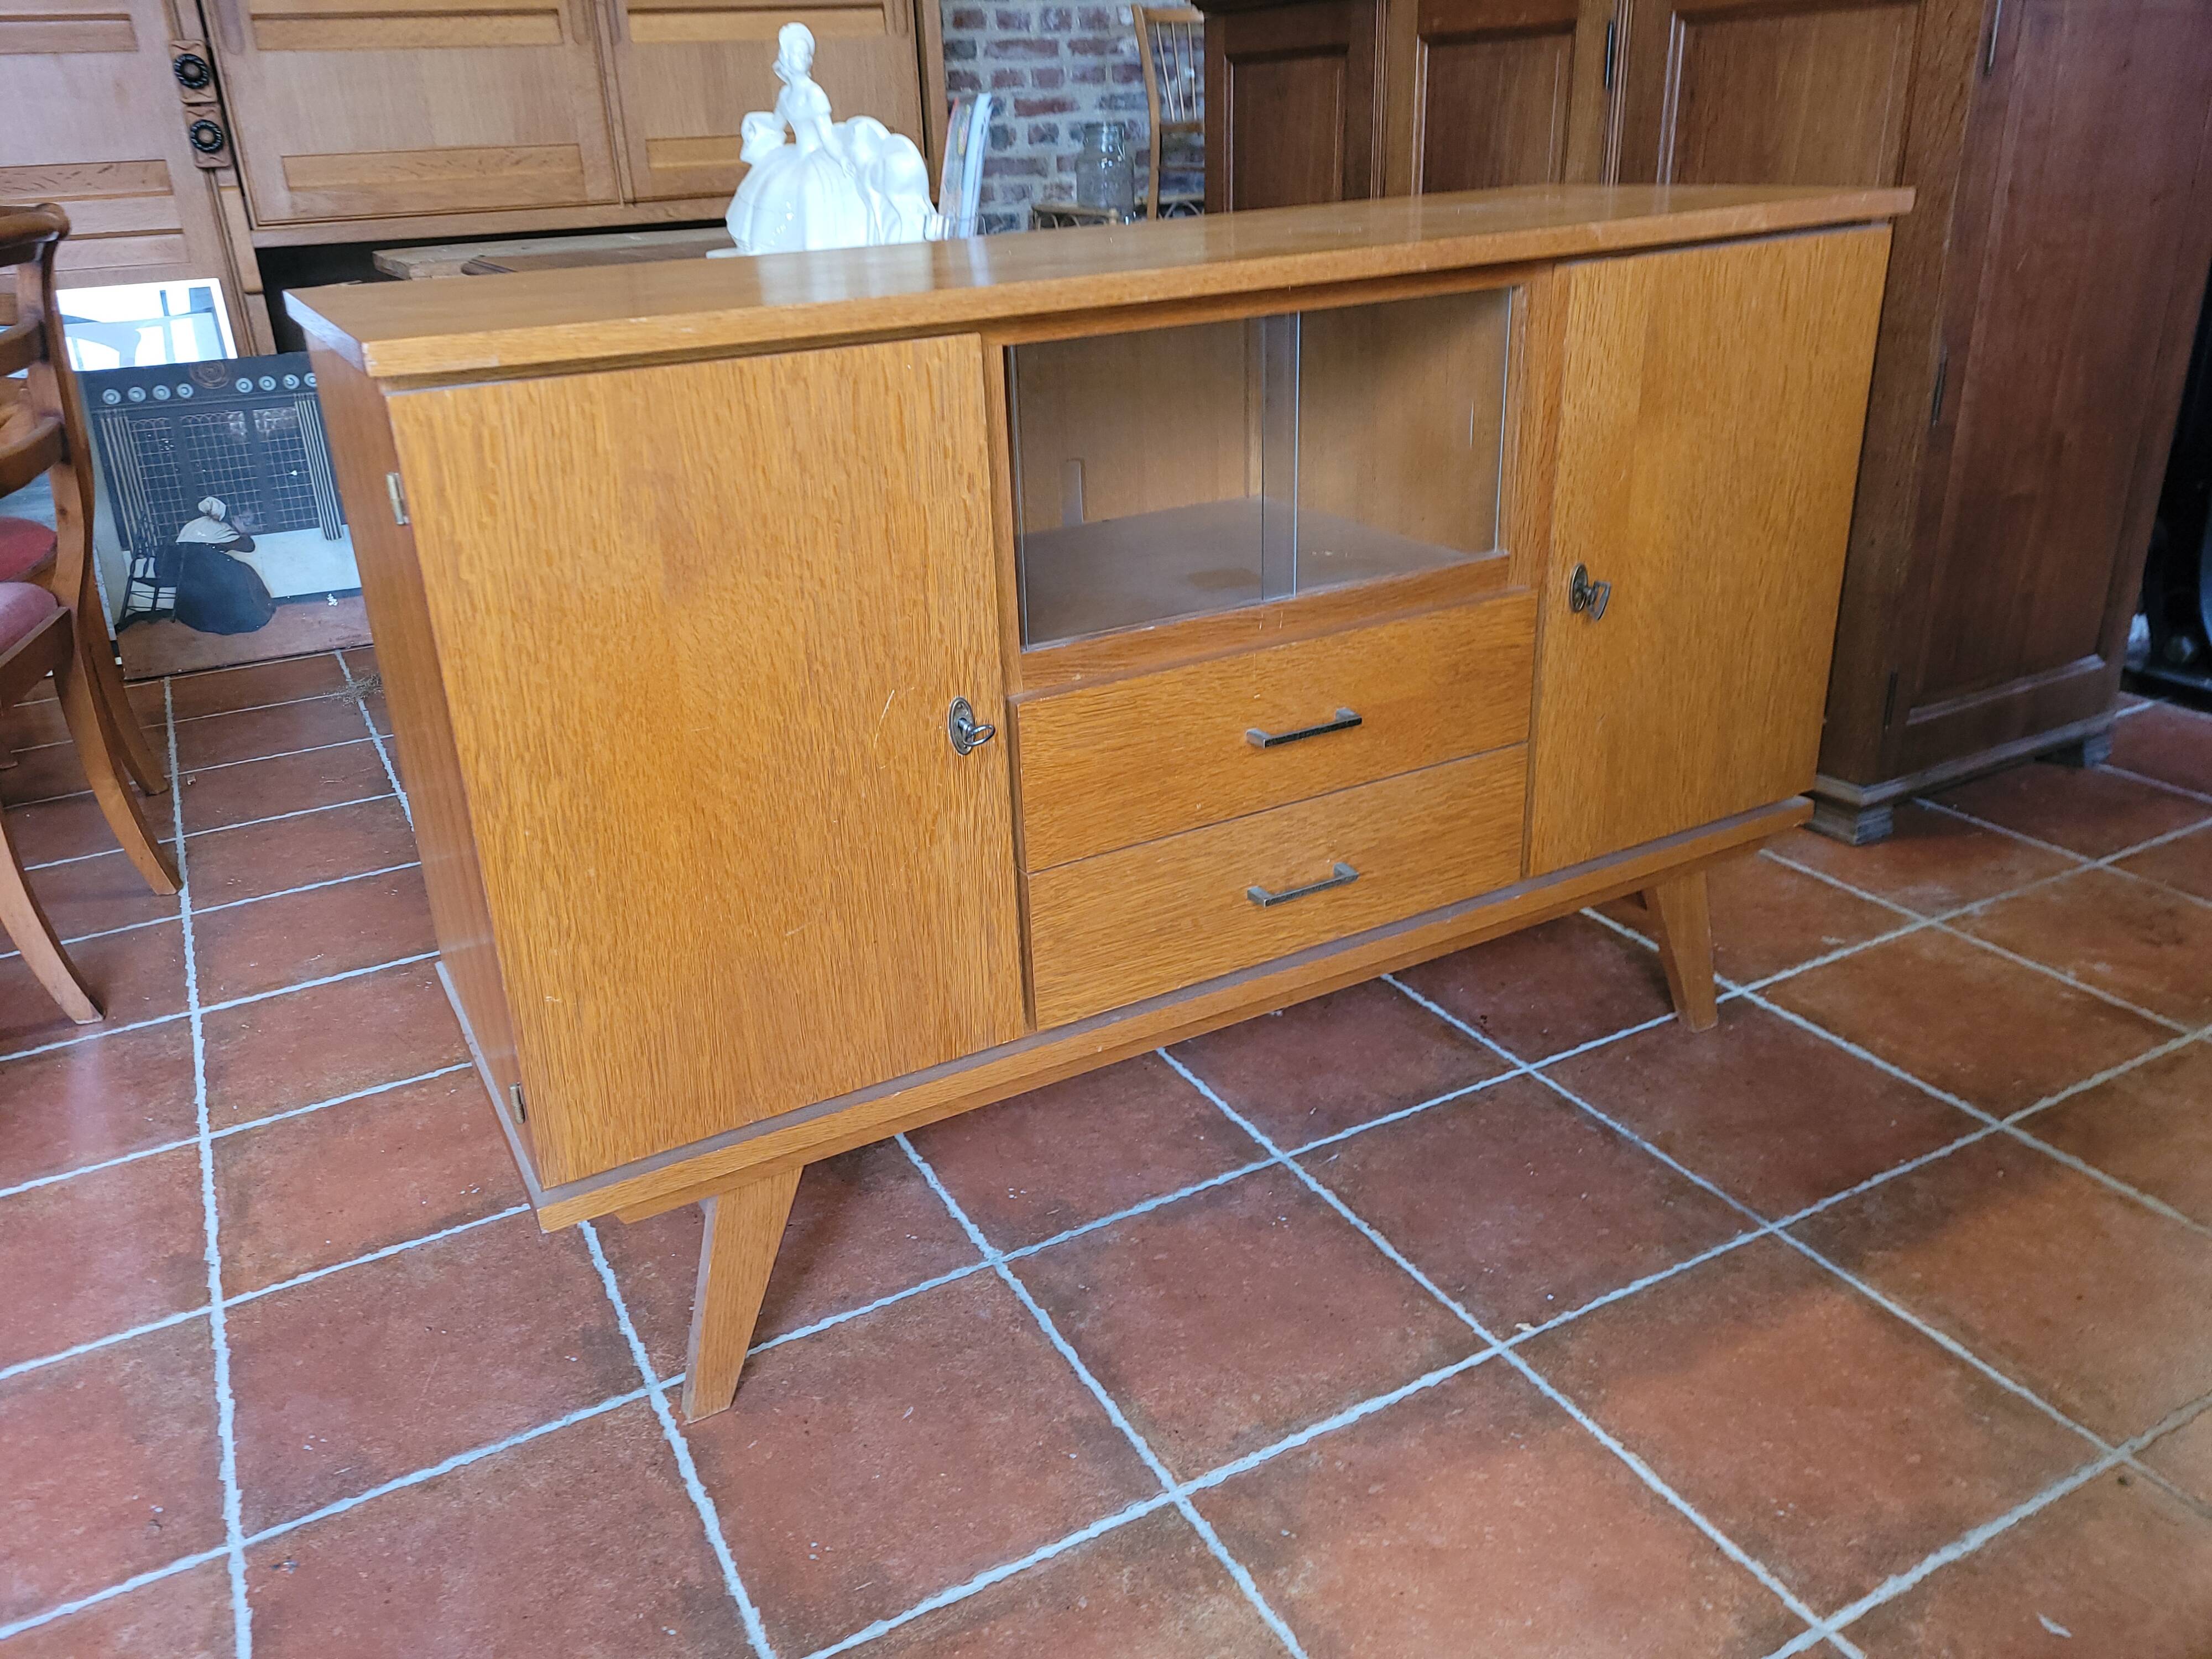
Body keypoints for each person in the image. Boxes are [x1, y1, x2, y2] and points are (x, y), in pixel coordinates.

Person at [171, 496, 276, 635]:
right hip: (208, 568)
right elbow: (248, 547)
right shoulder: (217, 527)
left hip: (186, 570)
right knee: (243, 572)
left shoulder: (191, 526)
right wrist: (242, 532)